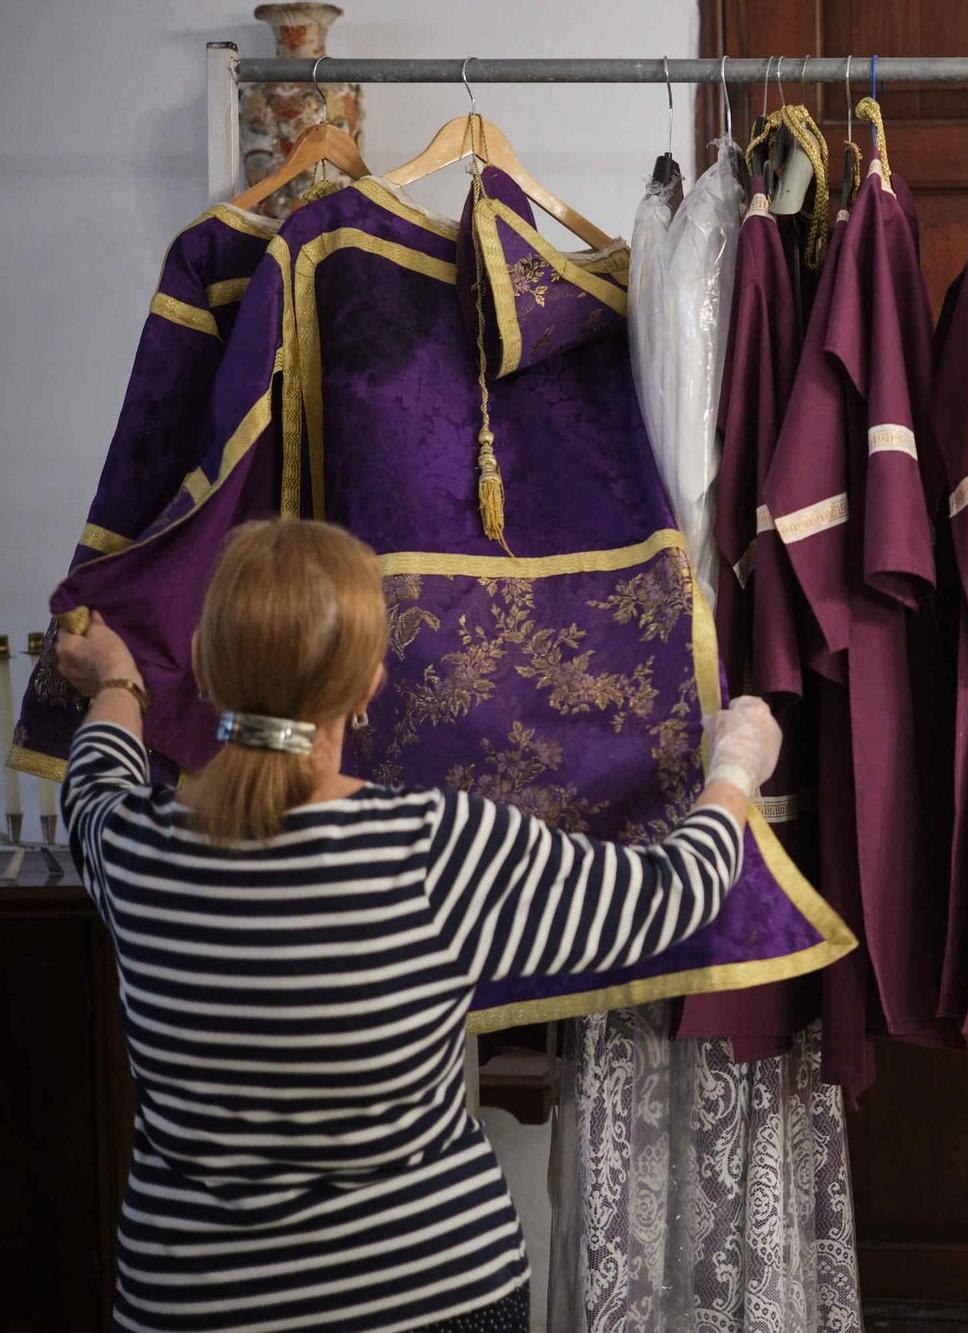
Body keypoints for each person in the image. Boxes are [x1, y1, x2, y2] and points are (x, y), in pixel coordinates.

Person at [54, 518, 782, 1333]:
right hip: (433, 1298)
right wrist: (737, 765)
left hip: (194, 1305)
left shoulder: (131, 850)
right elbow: (670, 891)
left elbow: (93, 779)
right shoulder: (436, 848)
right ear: (369, 686)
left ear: (201, 662)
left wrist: (116, 682)